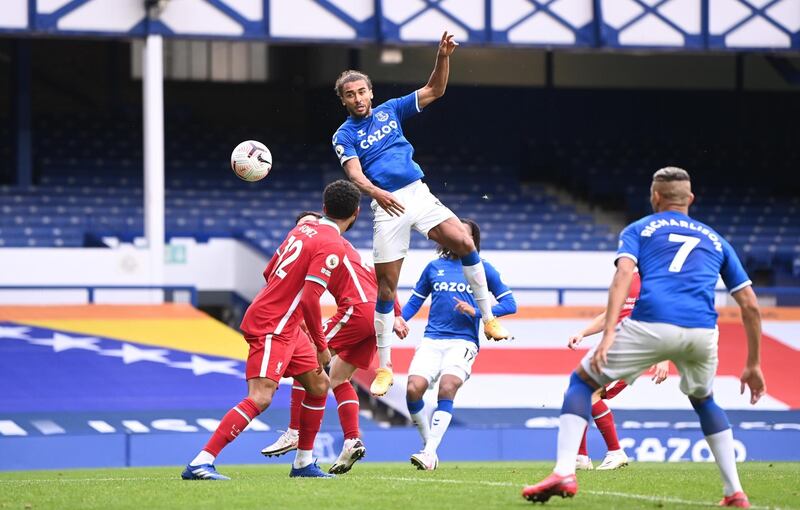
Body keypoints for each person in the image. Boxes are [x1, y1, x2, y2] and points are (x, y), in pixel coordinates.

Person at [522, 167, 766, 508]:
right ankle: (735, 492)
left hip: (652, 323)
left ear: (655, 197)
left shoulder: (640, 229)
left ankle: (565, 470)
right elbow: (750, 305)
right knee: (705, 401)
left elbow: (623, 275)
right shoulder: (715, 239)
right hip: (703, 331)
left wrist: (608, 336)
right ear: (690, 199)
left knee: (580, 383)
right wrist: (753, 363)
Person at [331, 31, 511, 398]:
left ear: (370, 93)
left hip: (417, 193)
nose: (357, 98)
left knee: (463, 239)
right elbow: (354, 174)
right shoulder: (343, 134)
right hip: (386, 206)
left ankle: (488, 319)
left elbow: (434, 90)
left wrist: (443, 56)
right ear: (344, 101)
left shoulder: (391, 109)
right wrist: (378, 193)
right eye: (350, 95)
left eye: (361, 92)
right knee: (386, 288)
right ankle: (384, 368)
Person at [181, 180, 361, 480]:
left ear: (324, 207)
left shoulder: (302, 229)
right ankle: (201, 461)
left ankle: (303, 463)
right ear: (356, 213)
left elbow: (269, 271)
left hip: (286, 323)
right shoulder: (332, 244)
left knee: (318, 387)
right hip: (272, 324)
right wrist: (320, 344)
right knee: (261, 396)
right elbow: (310, 297)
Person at [260, 211, 409, 474]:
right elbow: (380, 277)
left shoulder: (322, 244)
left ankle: (295, 431)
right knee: (339, 377)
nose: (303, 231)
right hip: (374, 313)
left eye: (307, 225)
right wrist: (393, 314)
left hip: (356, 310)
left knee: (306, 361)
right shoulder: (342, 244)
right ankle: (352, 440)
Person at [402, 219, 516, 470]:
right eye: (454, 232)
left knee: (447, 387)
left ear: (473, 240)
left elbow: (510, 304)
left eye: (464, 234)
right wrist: (396, 320)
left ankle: (429, 451)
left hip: (463, 341)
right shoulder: (433, 267)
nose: (458, 237)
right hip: (432, 339)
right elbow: (413, 303)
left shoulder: (483, 268)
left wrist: (476, 311)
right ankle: (428, 447)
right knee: (412, 390)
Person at [567, 269, 670, 471]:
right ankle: (580, 456)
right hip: (613, 346)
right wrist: (582, 333)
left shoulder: (658, 280)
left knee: (589, 392)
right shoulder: (629, 278)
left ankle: (615, 452)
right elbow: (610, 315)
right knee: (575, 393)